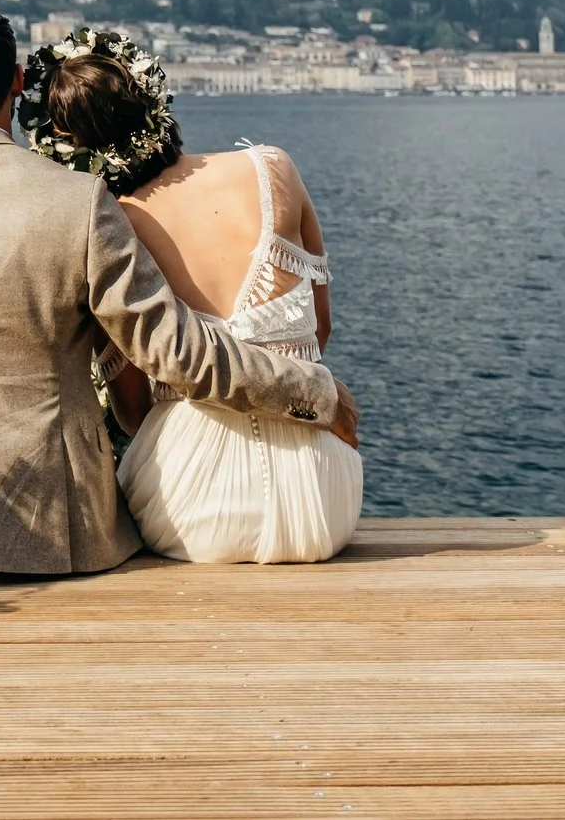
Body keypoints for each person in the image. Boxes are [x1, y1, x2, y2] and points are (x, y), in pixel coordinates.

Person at [0, 2, 357, 575]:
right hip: (52, 517)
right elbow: (176, 352)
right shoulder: (80, 205)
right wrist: (314, 392)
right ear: (15, 81)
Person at [20, 28, 362, 563]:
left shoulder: (107, 231)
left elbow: (132, 410)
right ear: (153, 97)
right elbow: (320, 329)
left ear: (71, 147)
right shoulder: (272, 168)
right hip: (323, 500)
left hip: (192, 511)